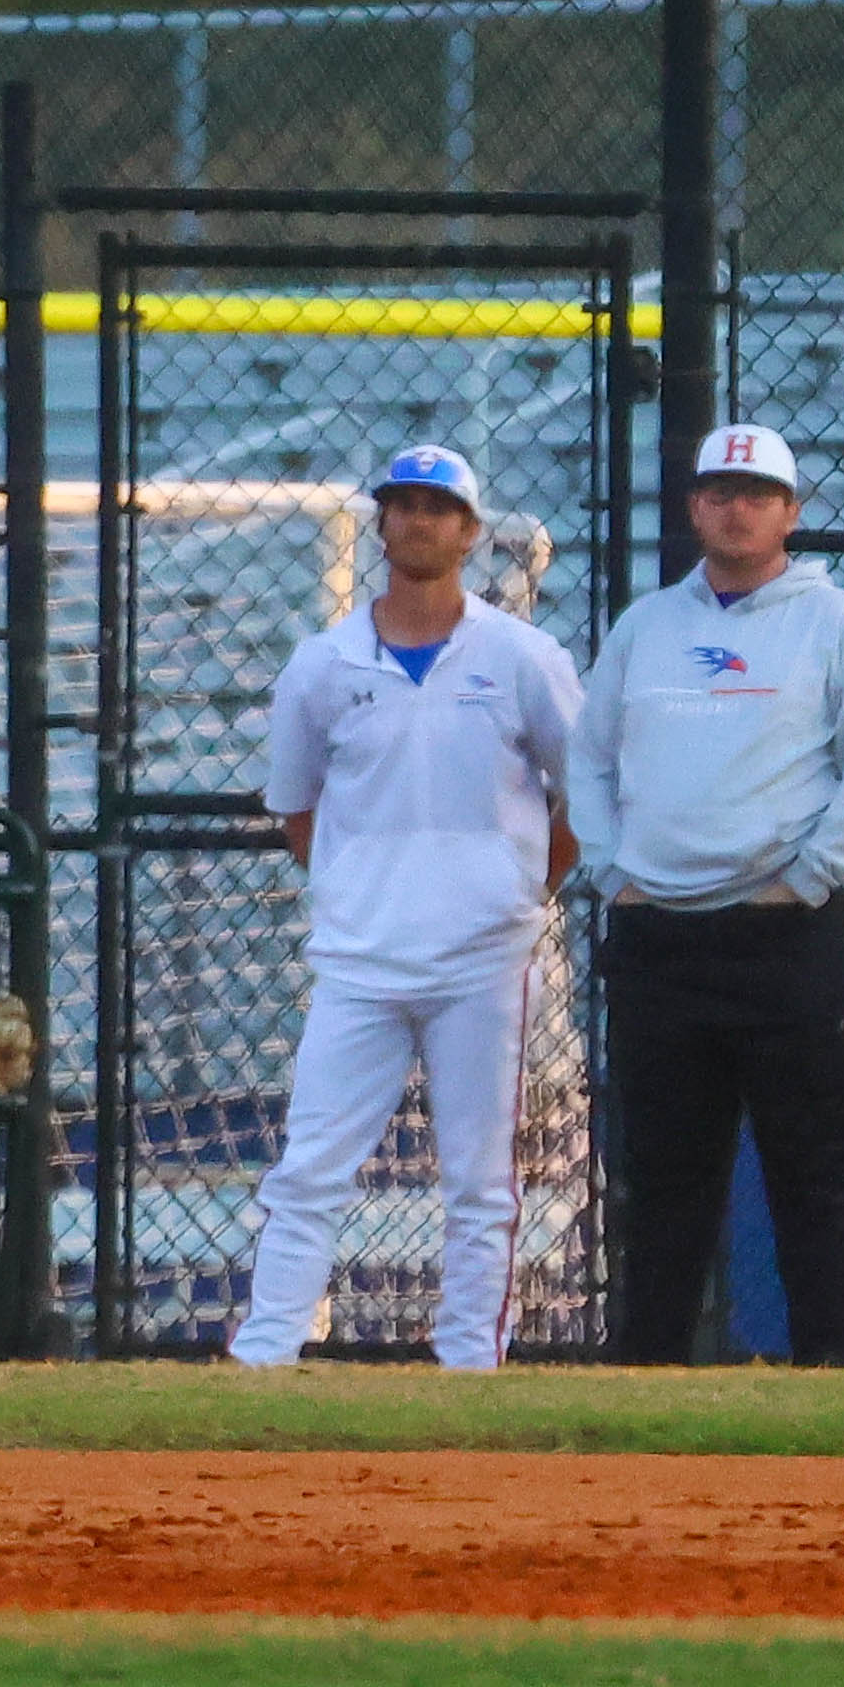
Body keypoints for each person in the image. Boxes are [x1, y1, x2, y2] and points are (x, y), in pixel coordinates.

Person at [227, 447, 585, 1371]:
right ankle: (264, 1352)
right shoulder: (322, 664)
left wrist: (520, 894)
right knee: (309, 1167)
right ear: (380, 524)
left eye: (440, 507)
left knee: (480, 1180)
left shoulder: (521, 657)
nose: (419, 522)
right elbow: (296, 808)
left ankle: (469, 1358)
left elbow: (580, 794)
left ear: (470, 531)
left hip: (484, 960)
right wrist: (359, 893)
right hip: (358, 960)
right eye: (403, 505)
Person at [572, 423, 844, 1364]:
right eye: (717, 490)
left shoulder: (836, 623)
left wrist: (804, 879)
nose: (735, 506)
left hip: (782, 936)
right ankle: (647, 1373)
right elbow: (588, 761)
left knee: (810, 1171)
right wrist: (613, 872)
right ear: (691, 508)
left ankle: (827, 1372)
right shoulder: (646, 627)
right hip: (660, 939)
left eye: (756, 492)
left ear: (790, 512)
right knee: (665, 1177)